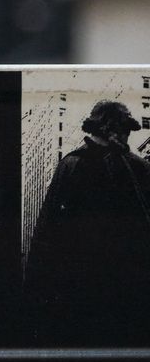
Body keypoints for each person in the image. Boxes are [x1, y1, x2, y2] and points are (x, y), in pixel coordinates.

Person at [26, 99, 150, 342]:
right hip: (126, 285)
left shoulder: (72, 165)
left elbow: (48, 231)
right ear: (116, 131)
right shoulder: (138, 167)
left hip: (83, 285)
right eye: (125, 131)